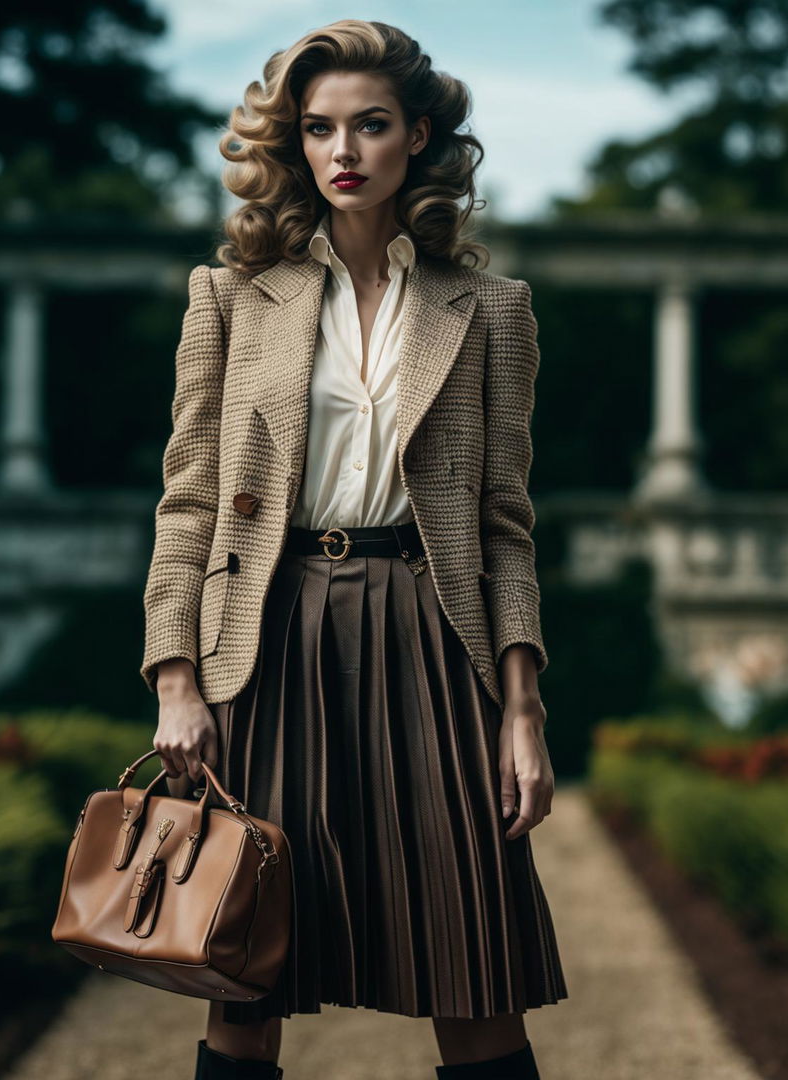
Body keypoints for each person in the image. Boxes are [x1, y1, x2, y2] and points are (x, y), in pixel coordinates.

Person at [140, 19, 568, 1080]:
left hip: (434, 637)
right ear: (295, 144)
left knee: (479, 971)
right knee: (241, 976)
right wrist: (176, 677)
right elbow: (188, 506)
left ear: (416, 136)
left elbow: (505, 526)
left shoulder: (493, 311)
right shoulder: (230, 299)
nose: (344, 151)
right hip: (269, 637)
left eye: (370, 125)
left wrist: (523, 713)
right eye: (320, 128)